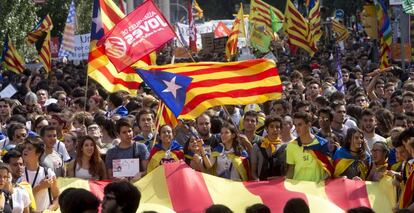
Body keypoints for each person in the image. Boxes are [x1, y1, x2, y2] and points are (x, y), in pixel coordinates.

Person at [286, 112, 333, 182]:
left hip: (316, 189)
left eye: (300, 125)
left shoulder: (322, 144)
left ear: (309, 125)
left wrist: (320, 184)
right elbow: (291, 170)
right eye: (295, 125)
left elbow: (328, 170)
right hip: (297, 189)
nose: (297, 128)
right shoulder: (291, 146)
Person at [22, 137, 59, 212]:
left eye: (29, 148)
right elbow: (21, 199)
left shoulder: (48, 173)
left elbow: (57, 197)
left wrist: (50, 209)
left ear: (38, 153)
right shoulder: (19, 173)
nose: (25, 150)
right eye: (24, 148)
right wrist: (39, 187)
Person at [251, 116, 286, 181]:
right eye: (271, 126)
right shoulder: (257, 146)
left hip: (279, 185)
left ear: (280, 129)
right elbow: (253, 172)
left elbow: (287, 171)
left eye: (277, 127)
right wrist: (257, 180)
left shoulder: (285, 148)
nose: (275, 129)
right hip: (261, 185)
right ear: (267, 128)